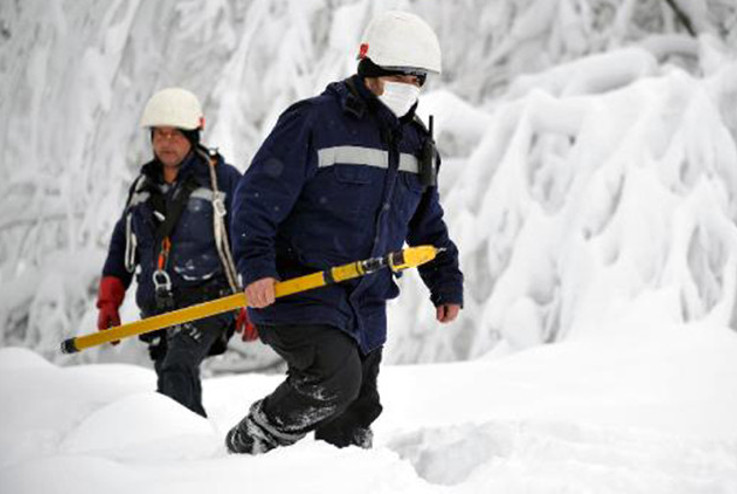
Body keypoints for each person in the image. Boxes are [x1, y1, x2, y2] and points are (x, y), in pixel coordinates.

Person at [226, 11, 464, 454]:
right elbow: (255, 200)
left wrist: (446, 282)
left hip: (367, 300)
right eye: (399, 75)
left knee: (356, 408)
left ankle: (344, 478)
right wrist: (256, 268)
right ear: (370, 71)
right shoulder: (314, 122)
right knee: (333, 382)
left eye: (418, 79)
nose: (408, 86)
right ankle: (248, 444)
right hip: (300, 289)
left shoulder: (416, 144)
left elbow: (427, 224)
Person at [96, 87, 257, 417]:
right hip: (160, 305)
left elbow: (252, 238)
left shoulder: (222, 181)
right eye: (159, 134)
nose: (166, 142)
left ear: (193, 136)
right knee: (168, 386)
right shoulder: (143, 188)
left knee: (177, 366)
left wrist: (252, 298)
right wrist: (109, 300)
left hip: (212, 299)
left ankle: (189, 448)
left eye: (175, 135)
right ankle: (178, 449)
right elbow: (121, 245)